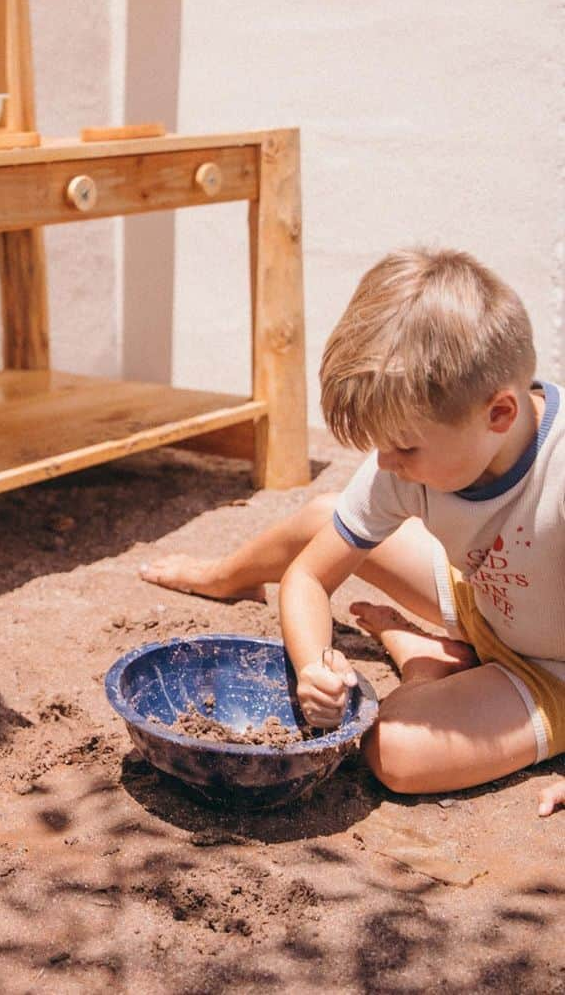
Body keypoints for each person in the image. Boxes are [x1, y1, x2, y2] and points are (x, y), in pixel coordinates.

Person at [141, 249, 565, 814]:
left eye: (405, 447)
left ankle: (421, 660)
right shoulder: (413, 456)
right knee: (326, 516)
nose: (385, 464)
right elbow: (309, 579)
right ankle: (225, 576)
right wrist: (314, 664)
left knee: (393, 752)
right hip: (485, 595)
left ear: (500, 415)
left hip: (550, 670)